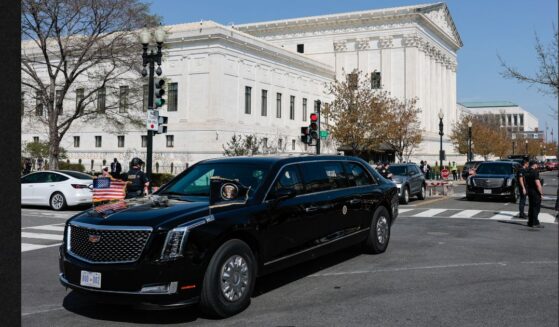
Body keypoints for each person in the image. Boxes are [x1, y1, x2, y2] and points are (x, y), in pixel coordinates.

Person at [525, 160, 544, 228]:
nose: (537, 165)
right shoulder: (535, 172)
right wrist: (541, 193)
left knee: (531, 207)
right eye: (537, 164)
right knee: (536, 208)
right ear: (534, 165)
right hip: (535, 191)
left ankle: (530, 222)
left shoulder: (527, 172)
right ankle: (535, 222)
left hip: (529, 190)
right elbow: (538, 184)